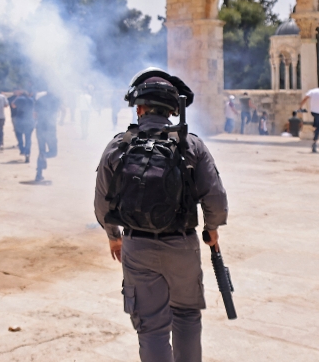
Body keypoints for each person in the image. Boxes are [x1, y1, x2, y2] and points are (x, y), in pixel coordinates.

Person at [94, 68, 228, 362]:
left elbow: (102, 203)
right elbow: (215, 197)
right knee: (187, 317)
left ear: (139, 108)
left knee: (152, 327)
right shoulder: (191, 144)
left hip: (137, 245)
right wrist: (212, 227)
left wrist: (113, 238)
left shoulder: (119, 145)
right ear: (172, 110)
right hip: (182, 244)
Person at [34, 91, 60, 182]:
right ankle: (45, 156)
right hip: (50, 128)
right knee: (53, 152)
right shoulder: (56, 100)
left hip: (39, 127)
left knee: (41, 151)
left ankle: (38, 175)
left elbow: (34, 115)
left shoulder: (39, 99)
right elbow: (58, 113)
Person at [11, 91, 35, 163]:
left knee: (19, 135)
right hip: (29, 120)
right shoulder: (31, 99)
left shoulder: (19, 99)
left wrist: (17, 98)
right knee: (28, 138)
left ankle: (22, 149)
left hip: (20, 120)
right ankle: (27, 153)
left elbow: (13, 105)